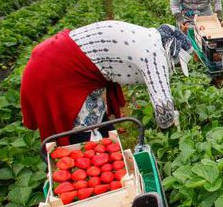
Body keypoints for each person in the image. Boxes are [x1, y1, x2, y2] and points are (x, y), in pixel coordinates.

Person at [20, 21, 193, 145]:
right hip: (57, 71)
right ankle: (92, 170)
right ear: (171, 51)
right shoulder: (154, 54)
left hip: (57, 57)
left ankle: (107, 150)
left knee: (98, 119)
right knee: (85, 130)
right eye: (177, 63)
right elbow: (163, 108)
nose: (174, 67)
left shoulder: (149, 37)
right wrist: (175, 136)